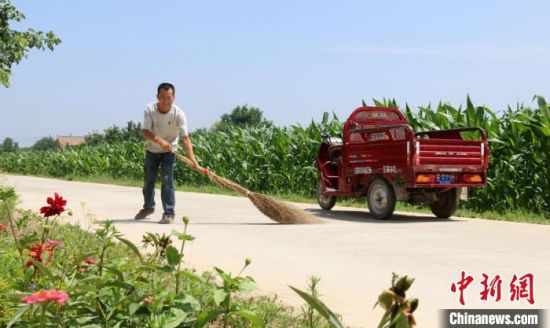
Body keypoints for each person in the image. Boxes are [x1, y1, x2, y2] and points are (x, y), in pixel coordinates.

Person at [134, 83, 199, 224]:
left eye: (168, 97)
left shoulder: (179, 114)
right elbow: (145, 131)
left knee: (166, 180)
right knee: (148, 182)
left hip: (170, 151)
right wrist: (160, 141)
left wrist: (193, 160)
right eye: (162, 97)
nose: (165, 101)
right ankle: (148, 207)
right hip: (152, 150)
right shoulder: (150, 110)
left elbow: (185, 139)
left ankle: (169, 213)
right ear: (157, 97)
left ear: (173, 98)